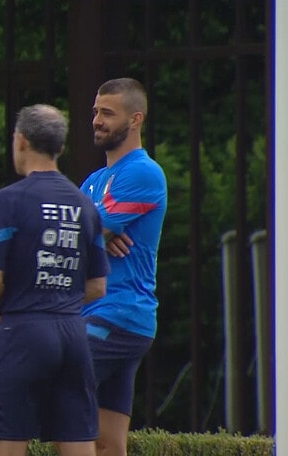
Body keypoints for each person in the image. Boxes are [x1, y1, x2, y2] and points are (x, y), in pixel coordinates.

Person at [0, 104, 109, 456]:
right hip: (72, 332)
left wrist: (3, 301)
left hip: (23, 330)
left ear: (20, 141)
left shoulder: (9, 199)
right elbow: (97, 286)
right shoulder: (85, 205)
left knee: (7, 435)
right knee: (77, 438)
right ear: (60, 147)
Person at [79, 78, 167, 456]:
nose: (96, 120)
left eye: (107, 113)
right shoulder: (94, 181)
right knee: (107, 444)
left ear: (135, 120)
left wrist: (96, 228)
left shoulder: (144, 172)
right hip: (107, 316)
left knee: (58, 401)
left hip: (116, 315)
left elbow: (73, 235)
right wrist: (98, 229)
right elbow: (81, 232)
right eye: (96, 111)